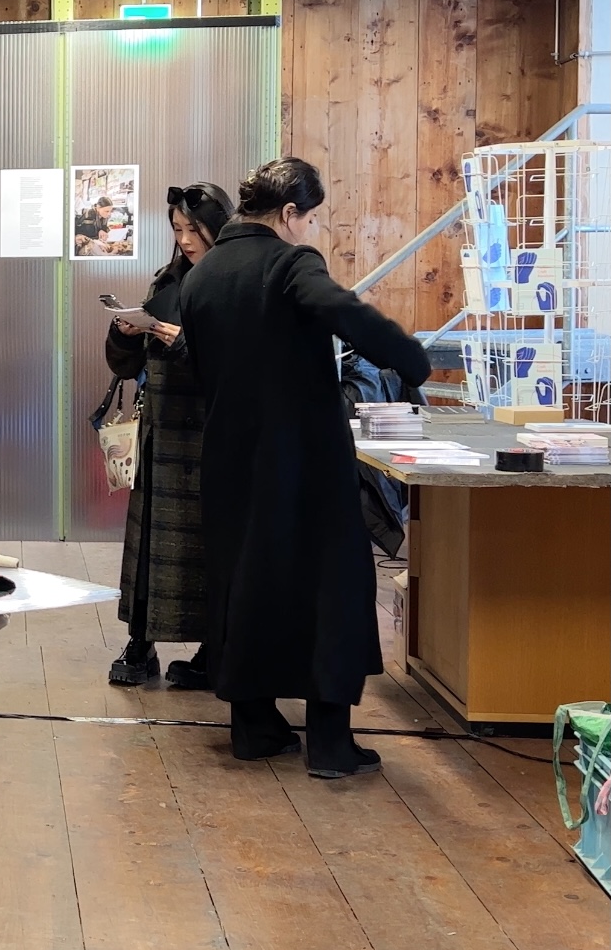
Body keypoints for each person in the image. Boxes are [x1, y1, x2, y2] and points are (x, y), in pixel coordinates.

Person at [178, 158, 431, 778]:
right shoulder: (291, 262)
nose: (310, 228)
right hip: (304, 459)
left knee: (246, 584)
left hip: (229, 458)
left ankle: (256, 727)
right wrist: (409, 360)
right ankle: (330, 743)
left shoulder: (202, 274)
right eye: (309, 216)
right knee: (332, 587)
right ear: (289, 214)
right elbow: (343, 311)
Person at [103, 181, 233, 688]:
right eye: (177, 230)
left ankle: (210, 649)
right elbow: (123, 364)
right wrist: (126, 332)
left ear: (218, 227)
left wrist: (185, 345)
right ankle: (141, 643)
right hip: (161, 435)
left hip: (208, 435)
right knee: (149, 548)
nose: (184, 240)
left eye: (193, 229)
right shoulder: (168, 281)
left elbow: (237, 367)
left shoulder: (231, 283)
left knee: (205, 548)